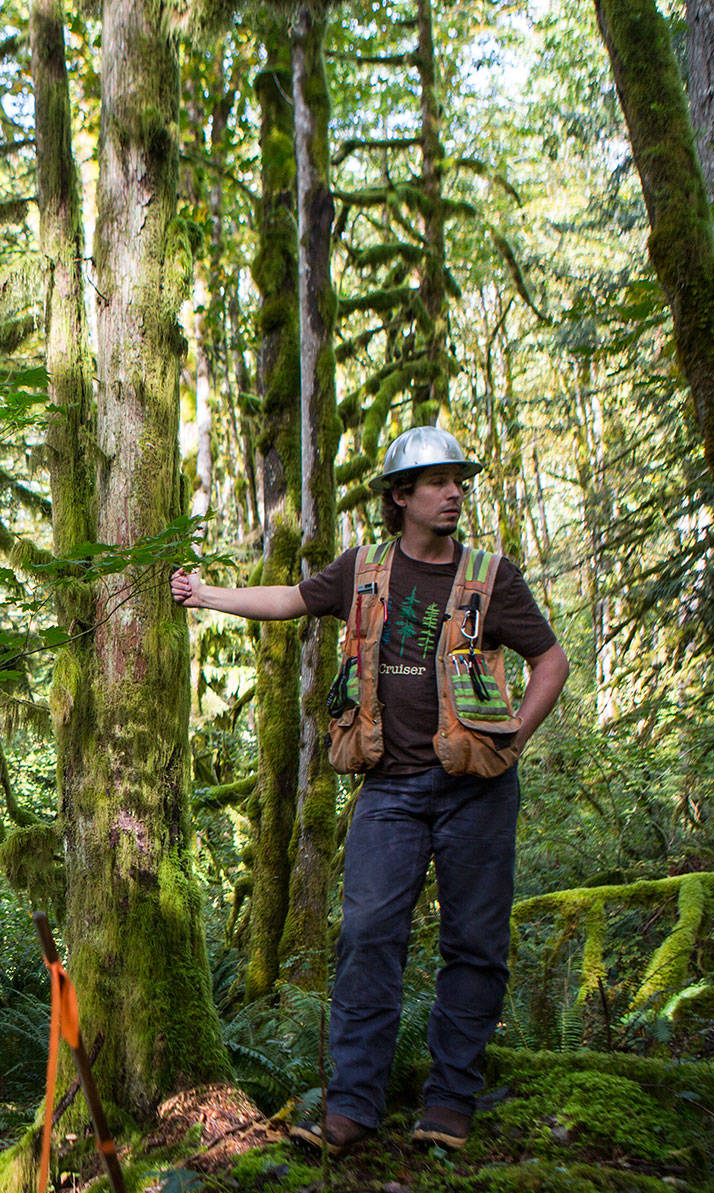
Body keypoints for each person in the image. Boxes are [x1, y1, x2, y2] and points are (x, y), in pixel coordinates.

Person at [171, 426, 569, 1154]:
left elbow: (551, 661)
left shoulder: (491, 576)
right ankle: (352, 1109)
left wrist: (517, 737)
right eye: (436, 482)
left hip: (476, 790)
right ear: (400, 497)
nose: (453, 493)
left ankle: (449, 1106)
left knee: (474, 945)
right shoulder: (365, 569)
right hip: (389, 790)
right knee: (366, 940)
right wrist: (205, 595)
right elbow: (291, 599)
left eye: (458, 481)